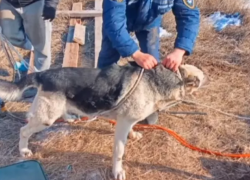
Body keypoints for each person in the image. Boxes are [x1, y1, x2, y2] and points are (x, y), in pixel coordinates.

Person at [97, 0, 200, 71]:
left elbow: (189, 16)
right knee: (107, 61)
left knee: (152, 66)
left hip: (150, 22)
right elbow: (114, 22)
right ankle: (98, 94)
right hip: (119, 21)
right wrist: (136, 54)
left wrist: (179, 51)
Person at [0, 0, 59, 97]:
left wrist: (51, 4)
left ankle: (39, 84)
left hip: (35, 3)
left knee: (42, 48)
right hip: (9, 3)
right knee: (11, 35)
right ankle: (33, 45)